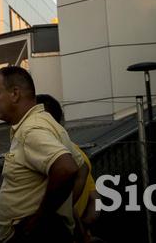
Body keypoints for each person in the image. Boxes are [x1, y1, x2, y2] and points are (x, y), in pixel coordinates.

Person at [0, 66, 83, 242]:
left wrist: (41, 218)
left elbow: (66, 168)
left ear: (15, 94)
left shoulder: (31, 130)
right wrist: (66, 210)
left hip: (36, 234)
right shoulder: (46, 123)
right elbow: (81, 168)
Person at [36, 94, 99, 242]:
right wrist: (85, 228)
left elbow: (65, 203)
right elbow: (95, 198)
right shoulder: (79, 154)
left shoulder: (53, 157)